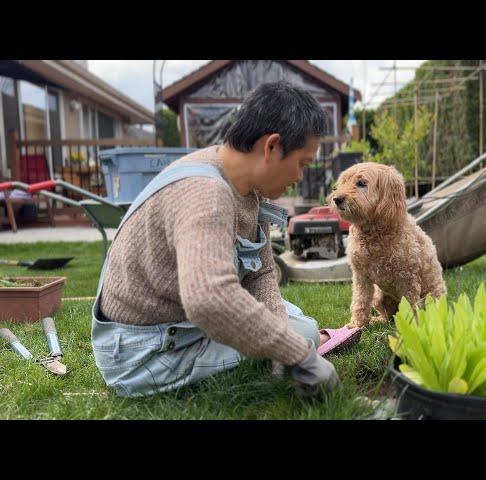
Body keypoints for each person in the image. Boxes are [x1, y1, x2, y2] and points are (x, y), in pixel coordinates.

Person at [91, 81, 344, 397]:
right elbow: (209, 299)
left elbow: (261, 272)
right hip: (143, 352)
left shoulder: (245, 187)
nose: (299, 177)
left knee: (296, 327)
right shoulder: (206, 193)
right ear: (272, 146)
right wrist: (299, 353)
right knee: (303, 333)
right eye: (302, 163)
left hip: (180, 324)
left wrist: (284, 347)